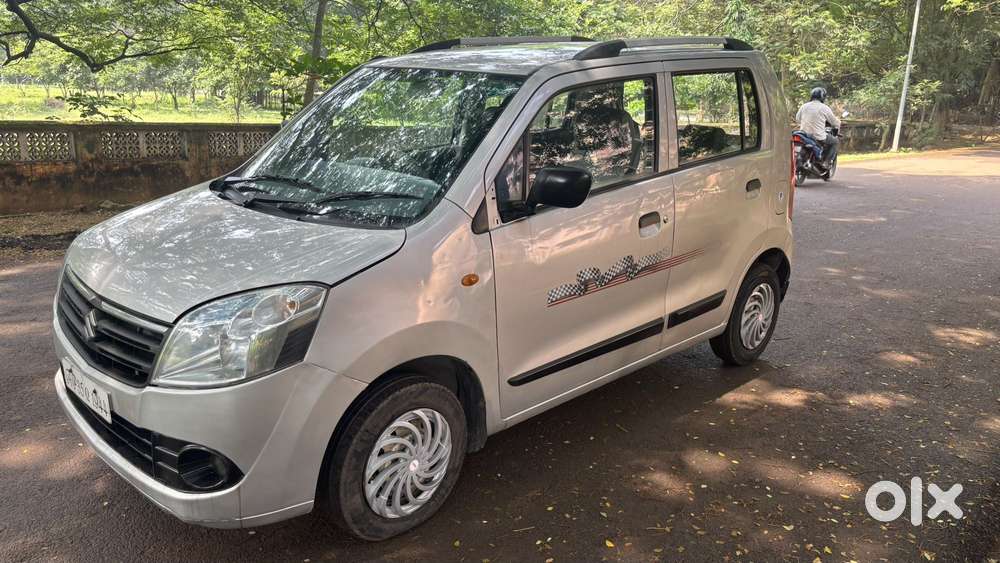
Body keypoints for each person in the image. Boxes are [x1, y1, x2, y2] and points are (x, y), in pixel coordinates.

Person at [795, 87, 840, 168]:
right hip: (818, 136)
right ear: (823, 97)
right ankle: (826, 162)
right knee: (835, 141)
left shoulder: (804, 106)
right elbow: (834, 122)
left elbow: (797, 118)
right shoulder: (824, 107)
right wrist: (837, 123)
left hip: (804, 135)